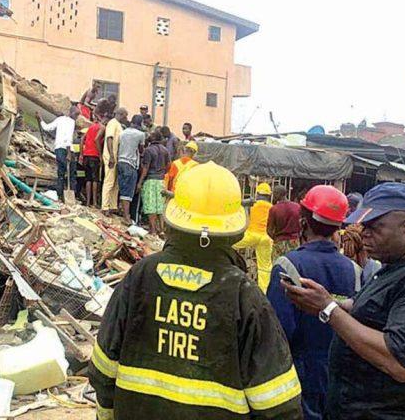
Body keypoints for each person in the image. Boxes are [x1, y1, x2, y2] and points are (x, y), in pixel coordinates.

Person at [89, 162, 303, 420]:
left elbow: (103, 369)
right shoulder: (243, 294)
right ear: (233, 230)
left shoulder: (140, 276)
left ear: (173, 220)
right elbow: (278, 405)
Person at [283, 182, 405, 419]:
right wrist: (326, 300)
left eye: (374, 227)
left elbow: (399, 362)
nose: (363, 233)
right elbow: (378, 310)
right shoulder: (397, 266)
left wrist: (329, 309)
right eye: (363, 225)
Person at [267, 185, 358, 420]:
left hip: (298, 372)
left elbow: (277, 332)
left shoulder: (288, 266)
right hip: (341, 373)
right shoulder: (356, 271)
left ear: (304, 223)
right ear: (338, 227)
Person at [234, 183, 274, 293]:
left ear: (257, 193)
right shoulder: (271, 207)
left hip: (251, 235)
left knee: (229, 244)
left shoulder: (253, 204)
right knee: (265, 267)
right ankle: (264, 291)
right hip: (266, 237)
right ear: (269, 195)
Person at [36, 106, 79, 201]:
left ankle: (60, 196)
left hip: (59, 148)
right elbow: (68, 138)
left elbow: (47, 127)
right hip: (67, 150)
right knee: (71, 174)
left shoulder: (59, 119)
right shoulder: (71, 122)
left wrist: (41, 119)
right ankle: (71, 196)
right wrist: (68, 153)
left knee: (61, 173)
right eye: (76, 114)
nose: (77, 116)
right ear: (70, 112)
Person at [138, 130, 171, 235]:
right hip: (161, 181)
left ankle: (153, 230)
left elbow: (145, 168)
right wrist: (163, 172)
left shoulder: (148, 150)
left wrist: (140, 182)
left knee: (151, 206)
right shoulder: (165, 150)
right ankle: (161, 229)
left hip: (150, 181)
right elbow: (169, 164)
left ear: (152, 138)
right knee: (160, 207)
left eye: (150, 135)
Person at [117, 116, 146, 224]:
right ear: (139, 124)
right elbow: (141, 150)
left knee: (122, 188)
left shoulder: (123, 132)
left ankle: (122, 212)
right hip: (130, 164)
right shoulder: (140, 134)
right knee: (128, 192)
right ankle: (126, 217)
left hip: (120, 162)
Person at [101, 108, 127, 213]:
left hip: (117, 157)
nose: (126, 118)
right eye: (125, 116)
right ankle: (105, 206)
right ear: (121, 114)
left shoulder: (119, 125)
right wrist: (111, 156)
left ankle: (113, 206)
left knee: (115, 184)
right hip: (111, 156)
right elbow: (109, 139)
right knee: (109, 182)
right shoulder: (112, 123)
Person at [267, 185, 302, 259]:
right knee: (294, 265)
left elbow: (269, 230)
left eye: (274, 193)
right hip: (294, 240)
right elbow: (301, 224)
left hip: (280, 241)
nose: (273, 196)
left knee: (278, 265)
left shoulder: (274, 209)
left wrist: (276, 239)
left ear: (278, 194)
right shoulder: (297, 207)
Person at [81, 119, 105, 208]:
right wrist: (100, 155)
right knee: (95, 179)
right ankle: (94, 202)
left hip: (86, 155)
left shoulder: (90, 127)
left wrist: (81, 154)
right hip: (94, 155)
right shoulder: (102, 127)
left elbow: (82, 139)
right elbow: (96, 140)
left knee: (88, 179)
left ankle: (88, 202)